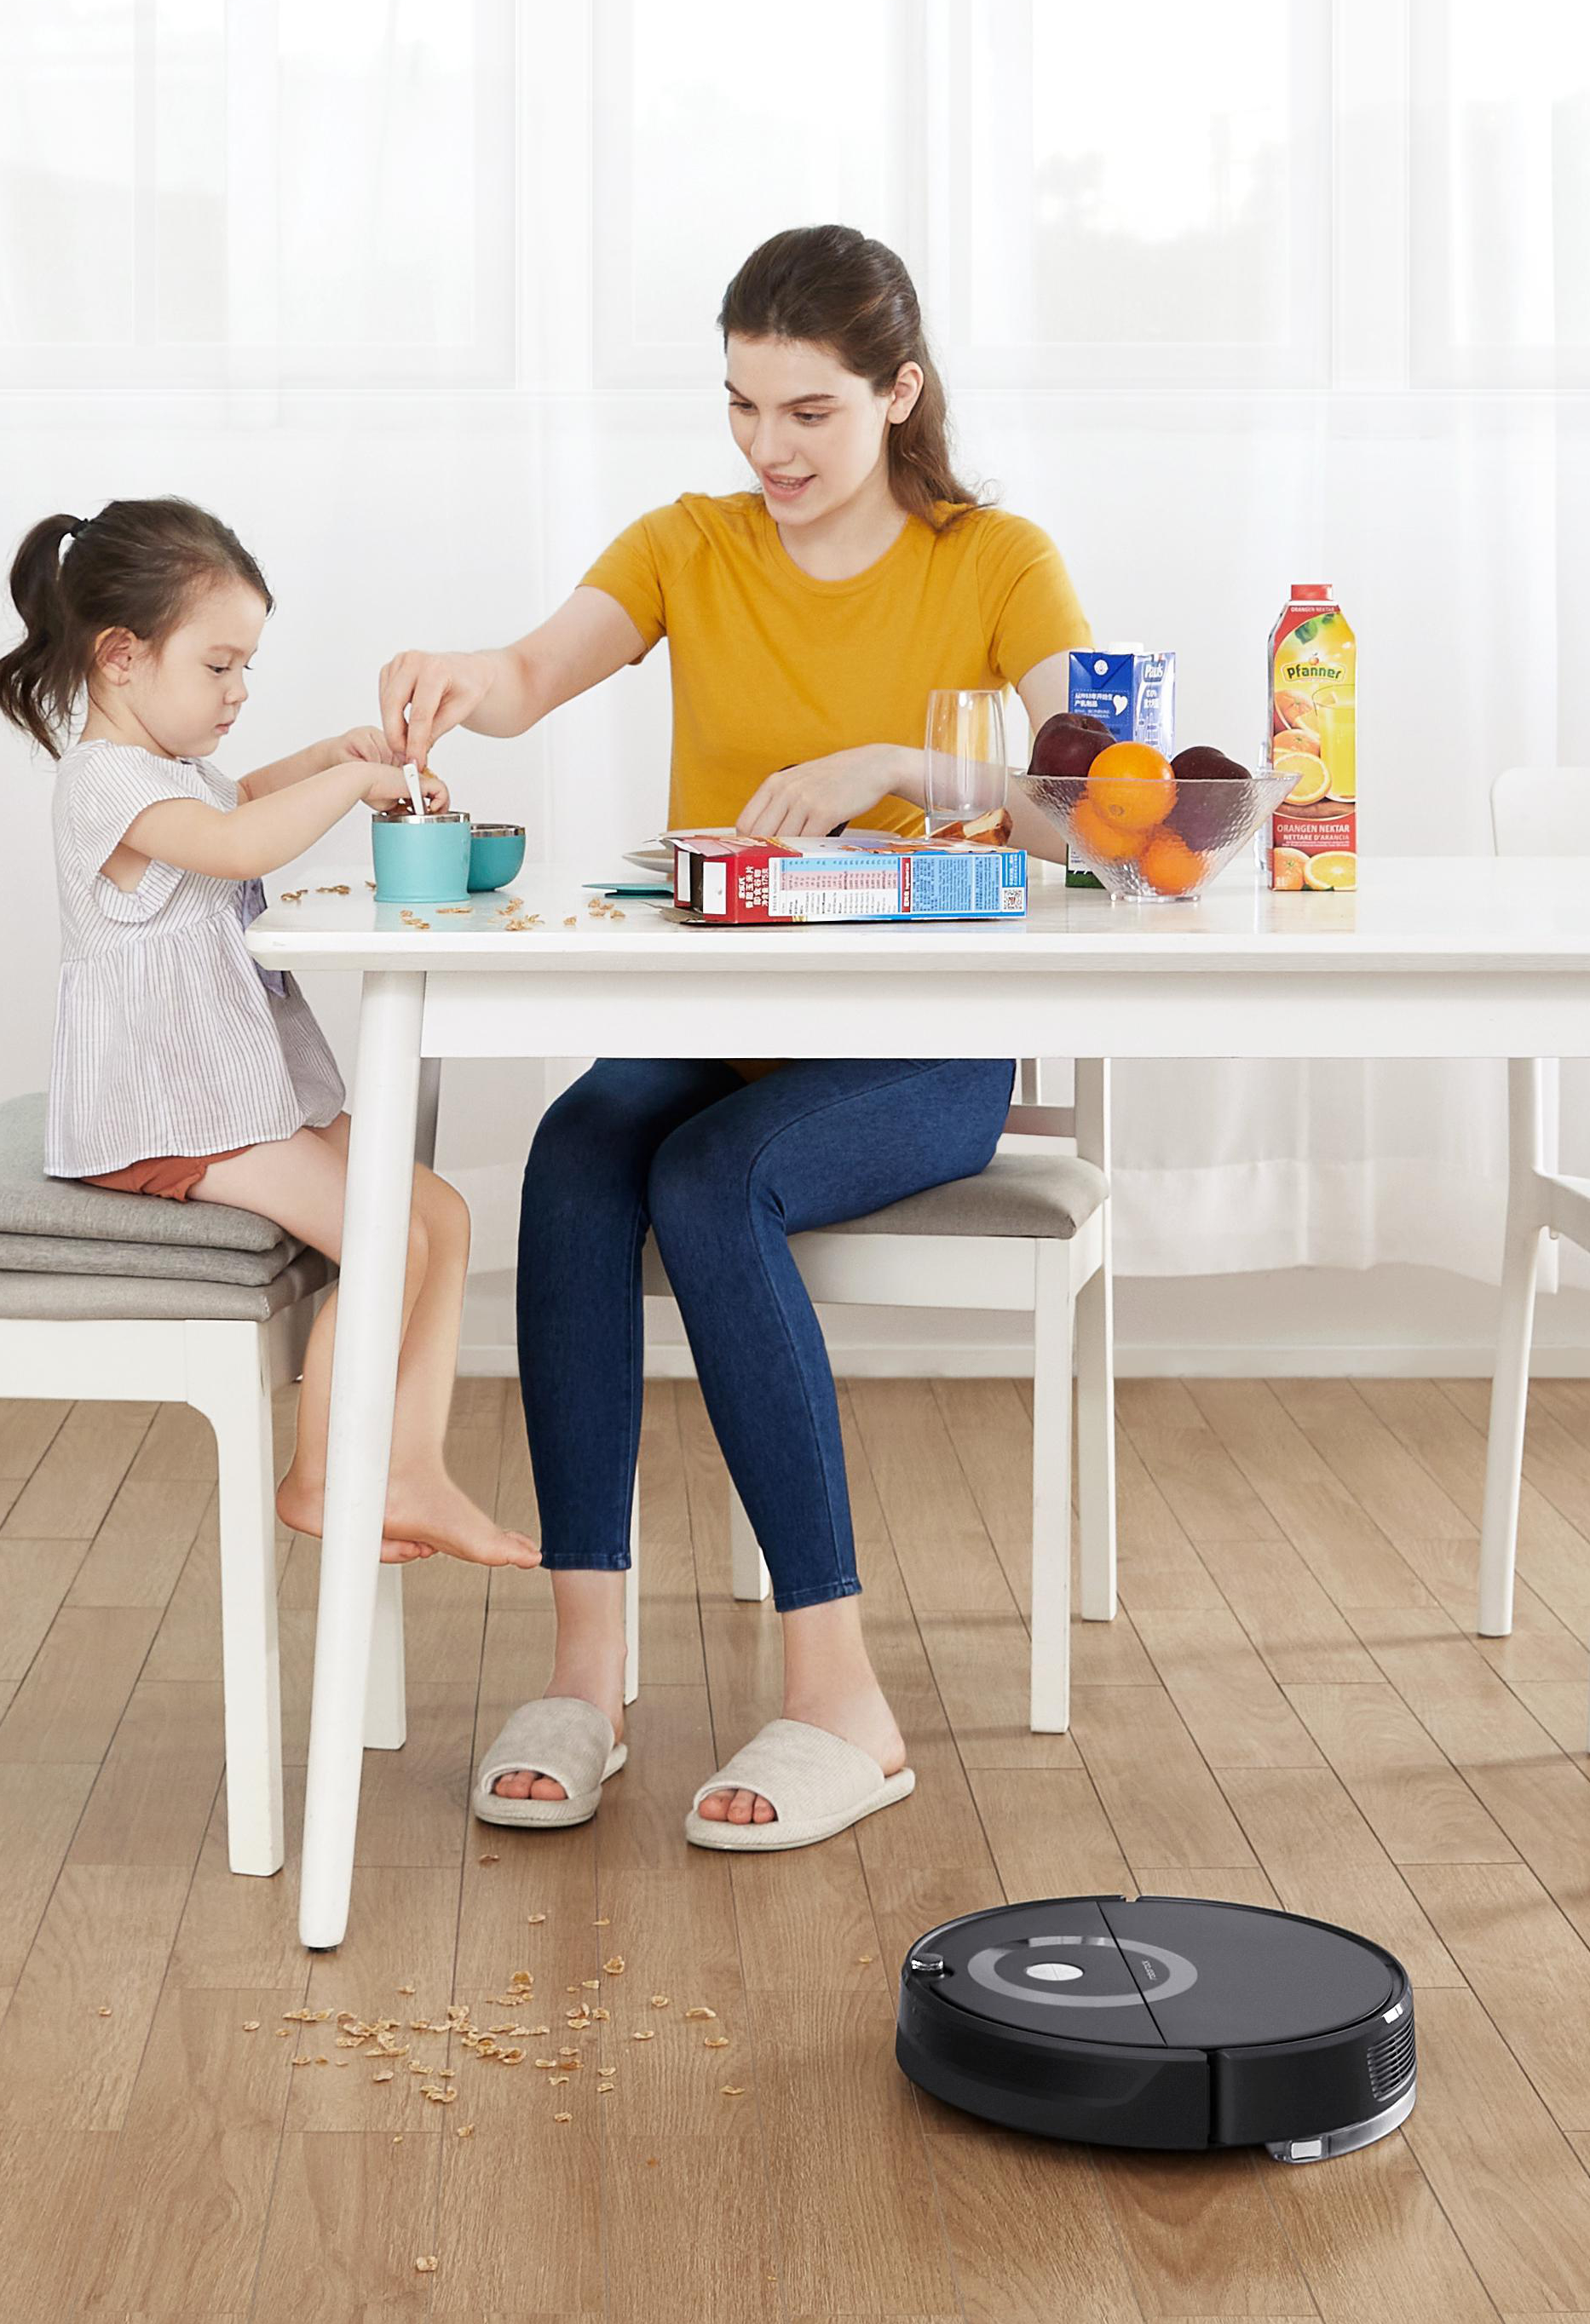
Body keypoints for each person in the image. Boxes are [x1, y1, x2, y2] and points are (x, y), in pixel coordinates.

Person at [377, 227, 1090, 1848]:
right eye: (741, 405)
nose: (768, 448)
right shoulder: (687, 543)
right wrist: (453, 677)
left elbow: (1115, 811)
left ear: (897, 393)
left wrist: (899, 766)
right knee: (573, 1153)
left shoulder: (995, 560)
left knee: (707, 1180)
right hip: (723, 1011)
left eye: (809, 411)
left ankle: (841, 1694)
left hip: (922, 1043)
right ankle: (583, 1671)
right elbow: (532, 669)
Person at [0, 498, 537, 1570]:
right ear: (120, 656)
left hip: (234, 1094)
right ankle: (323, 1477)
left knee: (439, 1213)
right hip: (171, 1113)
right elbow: (239, 843)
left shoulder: (165, 771)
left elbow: (238, 799)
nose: (240, 690)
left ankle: (410, 1466)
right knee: (387, 1235)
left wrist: (326, 756)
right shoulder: (101, 782)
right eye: (220, 666)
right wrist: (356, 780)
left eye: (247, 667)